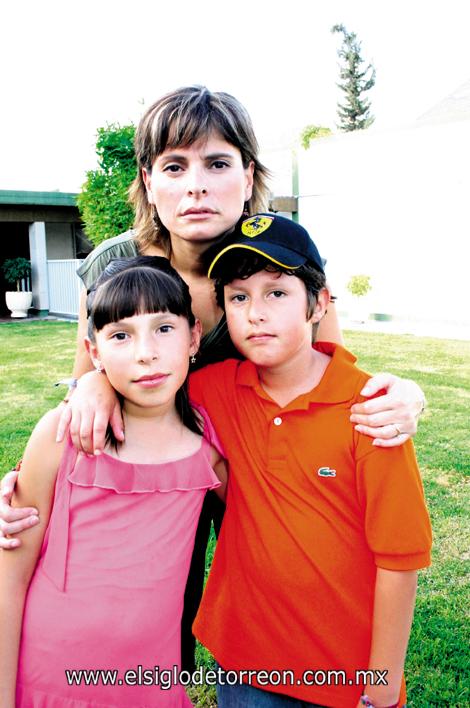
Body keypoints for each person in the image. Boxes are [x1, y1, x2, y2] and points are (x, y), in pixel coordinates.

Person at [0, 87, 426, 672]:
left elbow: (331, 379)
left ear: (248, 175)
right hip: (150, 464)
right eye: (175, 166)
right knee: (151, 600)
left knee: (282, 577)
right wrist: (91, 390)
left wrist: (408, 395)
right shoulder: (113, 264)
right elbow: (87, 383)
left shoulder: (274, 256)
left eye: (217, 164)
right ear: (149, 181)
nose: (196, 185)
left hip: (248, 466)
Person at [187, 213, 433, 708]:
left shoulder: (370, 411)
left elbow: (400, 560)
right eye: (239, 296)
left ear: (319, 303)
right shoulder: (212, 391)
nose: (256, 312)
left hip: (341, 677)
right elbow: (133, 401)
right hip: (245, 663)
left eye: (277, 293)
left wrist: (381, 687)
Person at [0, 258, 227, 707]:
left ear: (194, 336)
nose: (146, 353)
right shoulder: (62, 434)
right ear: (95, 351)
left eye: (164, 329)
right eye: (121, 335)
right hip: (48, 680)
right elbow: (9, 578)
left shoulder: (209, 445)